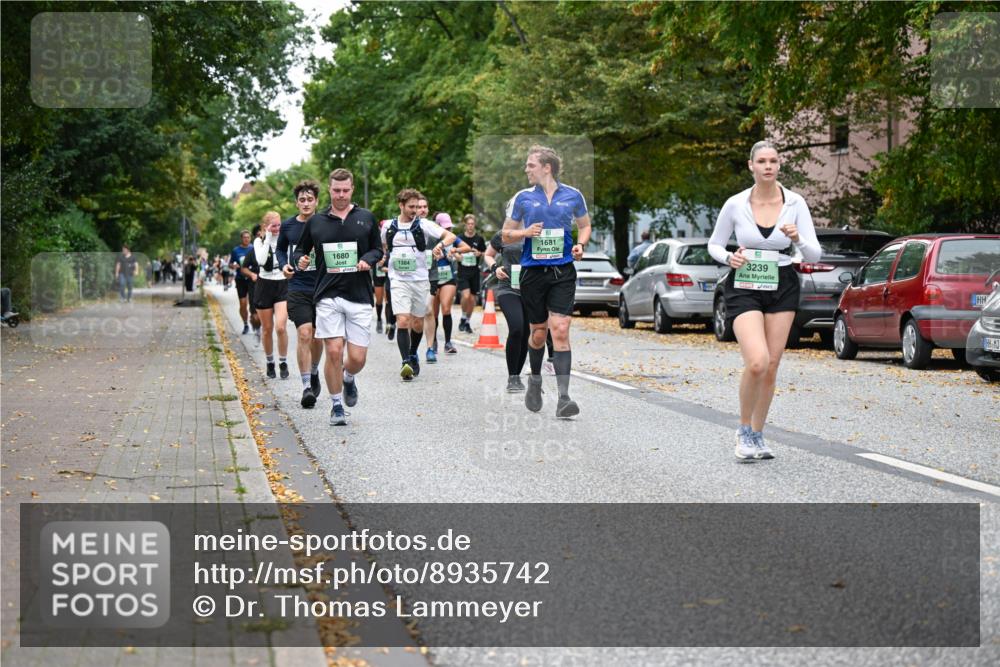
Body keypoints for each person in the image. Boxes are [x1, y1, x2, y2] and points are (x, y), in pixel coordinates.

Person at [708, 139, 821, 461]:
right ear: (751, 166)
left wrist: (798, 239)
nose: (768, 166)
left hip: (782, 282)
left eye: (773, 161)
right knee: (757, 361)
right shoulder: (735, 204)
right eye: (762, 161)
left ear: (779, 165)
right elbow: (714, 245)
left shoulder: (795, 203)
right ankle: (743, 430)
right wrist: (728, 257)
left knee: (771, 365)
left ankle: (758, 434)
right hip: (744, 283)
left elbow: (814, 253)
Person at [502, 145, 590, 418]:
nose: (526, 169)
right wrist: (525, 232)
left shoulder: (573, 195)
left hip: (562, 271)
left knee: (560, 330)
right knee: (539, 333)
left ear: (546, 167)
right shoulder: (523, 198)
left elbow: (584, 225)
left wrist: (580, 245)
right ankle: (535, 380)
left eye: (531, 165)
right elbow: (505, 234)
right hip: (533, 273)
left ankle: (564, 398)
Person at [292, 168, 383, 426]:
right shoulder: (316, 222)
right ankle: (336, 406)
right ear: (329, 190)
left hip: (359, 295)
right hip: (327, 294)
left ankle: (349, 377)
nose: (341, 195)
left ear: (352, 189)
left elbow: (377, 249)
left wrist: (367, 259)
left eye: (345, 190)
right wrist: (300, 259)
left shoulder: (366, 218)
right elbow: (300, 250)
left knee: (357, 359)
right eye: (336, 190)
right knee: (333, 351)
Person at [382, 188, 460, 381]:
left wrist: (440, 245)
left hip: (420, 280)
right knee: (403, 320)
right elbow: (382, 245)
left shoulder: (424, 224)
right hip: (398, 279)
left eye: (417, 207)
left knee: (417, 322)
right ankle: (405, 362)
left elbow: (450, 236)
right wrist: (381, 258)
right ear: (401, 205)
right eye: (411, 207)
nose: (415, 210)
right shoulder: (389, 226)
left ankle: (413, 353)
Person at [276, 179, 326, 408]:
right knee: (304, 333)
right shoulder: (288, 226)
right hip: (297, 287)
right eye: (302, 200)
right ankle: (306, 386)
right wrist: (283, 265)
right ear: (296, 203)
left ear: (316, 202)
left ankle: (314, 371)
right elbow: (280, 249)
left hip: (322, 287)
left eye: (310, 199)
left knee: (317, 336)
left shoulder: (325, 223)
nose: (306, 203)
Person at [484, 231, 528, 392]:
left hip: (532, 290)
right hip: (508, 287)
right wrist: (494, 268)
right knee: (516, 328)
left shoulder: (538, 232)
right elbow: (488, 255)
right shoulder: (503, 234)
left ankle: (517, 375)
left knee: (526, 333)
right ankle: (512, 377)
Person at [251, 212, 290, 379]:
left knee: (281, 327)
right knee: (267, 329)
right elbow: (260, 260)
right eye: (273, 225)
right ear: (265, 226)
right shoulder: (259, 241)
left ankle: (283, 361)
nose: (277, 228)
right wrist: (267, 238)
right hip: (264, 284)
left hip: (282, 283)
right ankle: (270, 361)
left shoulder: (285, 238)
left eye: (279, 225)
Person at [428, 212, 460, 356]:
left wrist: (454, 252)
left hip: (448, 277)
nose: (448, 230)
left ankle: (448, 342)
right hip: (433, 277)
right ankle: (433, 341)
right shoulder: (429, 237)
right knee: (433, 313)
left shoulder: (451, 238)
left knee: (446, 309)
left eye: (449, 227)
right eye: (445, 227)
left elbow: (465, 249)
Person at [454, 214, 486, 333]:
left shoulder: (479, 239)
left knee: (472, 299)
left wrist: (479, 254)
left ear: (475, 225)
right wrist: (457, 256)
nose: (470, 226)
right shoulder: (459, 238)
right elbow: (453, 251)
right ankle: (463, 316)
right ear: (465, 225)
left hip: (474, 272)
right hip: (463, 271)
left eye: (472, 224)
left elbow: (486, 253)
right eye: (468, 224)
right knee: (466, 296)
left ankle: (467, 321)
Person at [230, 231, 256, 335]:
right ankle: (245, 324)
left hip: (252, 279)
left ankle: (255, 321)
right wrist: (234, 266)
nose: (246, 239)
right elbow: (230, 263)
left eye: (248, 237)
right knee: (243, 303)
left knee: (253, 303)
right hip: (240, 279)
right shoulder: (236, 250)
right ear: (241, 238)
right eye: (244, 237)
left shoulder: (254, 248)